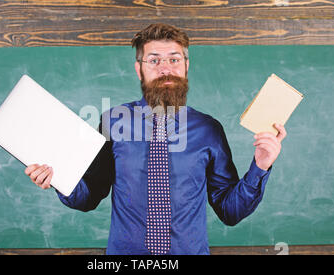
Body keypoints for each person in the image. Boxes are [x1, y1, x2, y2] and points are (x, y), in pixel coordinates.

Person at [24, 23, 287, 255]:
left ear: (186, 66)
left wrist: (260, 166)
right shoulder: (113, 122)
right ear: (139, 69)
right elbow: (89, 196)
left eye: (174, 59)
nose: (165, 69)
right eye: (154, 60)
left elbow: (230, 211)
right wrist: (60, 179)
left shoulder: (208, 130)